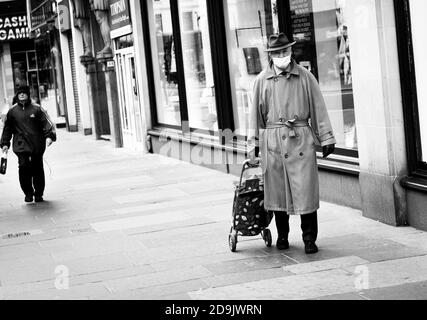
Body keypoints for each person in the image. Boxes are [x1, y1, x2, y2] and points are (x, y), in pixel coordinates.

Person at [248, 33, 336, 254]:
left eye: (284, 51)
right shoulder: (261, 80)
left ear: (291, 52)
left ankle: (309, 239)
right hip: (273, 142)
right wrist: (253, 146)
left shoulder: (306, 77)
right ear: (270, 55)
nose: (281, 56)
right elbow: (254, 117)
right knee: (278, 194)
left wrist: (326, 137)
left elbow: (318, 108)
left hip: (300, 140)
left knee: (305, 191)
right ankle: (282, 236)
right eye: (277, 53)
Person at [0, 86, 57, 203]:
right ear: (17, 95)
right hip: (21, 145)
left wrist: (50, 136)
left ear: (28, 95)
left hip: (37, 144)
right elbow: (7, 129)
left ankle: (39, 194)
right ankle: (28, 193)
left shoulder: (37, 109)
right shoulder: (12, 111)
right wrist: (5, 143)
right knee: (23, 168)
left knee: (37, 169)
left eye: (24, 93)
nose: (21, 95)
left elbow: (47, 123)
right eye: (19, 93)